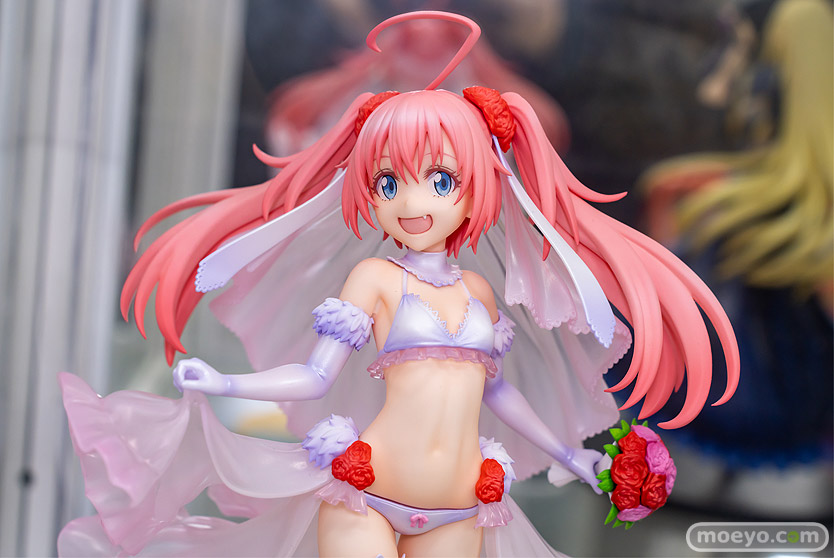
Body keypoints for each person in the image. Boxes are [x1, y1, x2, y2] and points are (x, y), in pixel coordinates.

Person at [58, 11, 738, 557]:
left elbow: (497, 390)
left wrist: (573, 457)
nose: (411, 203)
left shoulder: (481, 294)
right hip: (366, 492)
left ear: (478, 187)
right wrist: (226, 384)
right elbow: (316, 377)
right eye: (388, 182)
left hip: (463, 505)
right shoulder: (375, 278)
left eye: (440, 180)